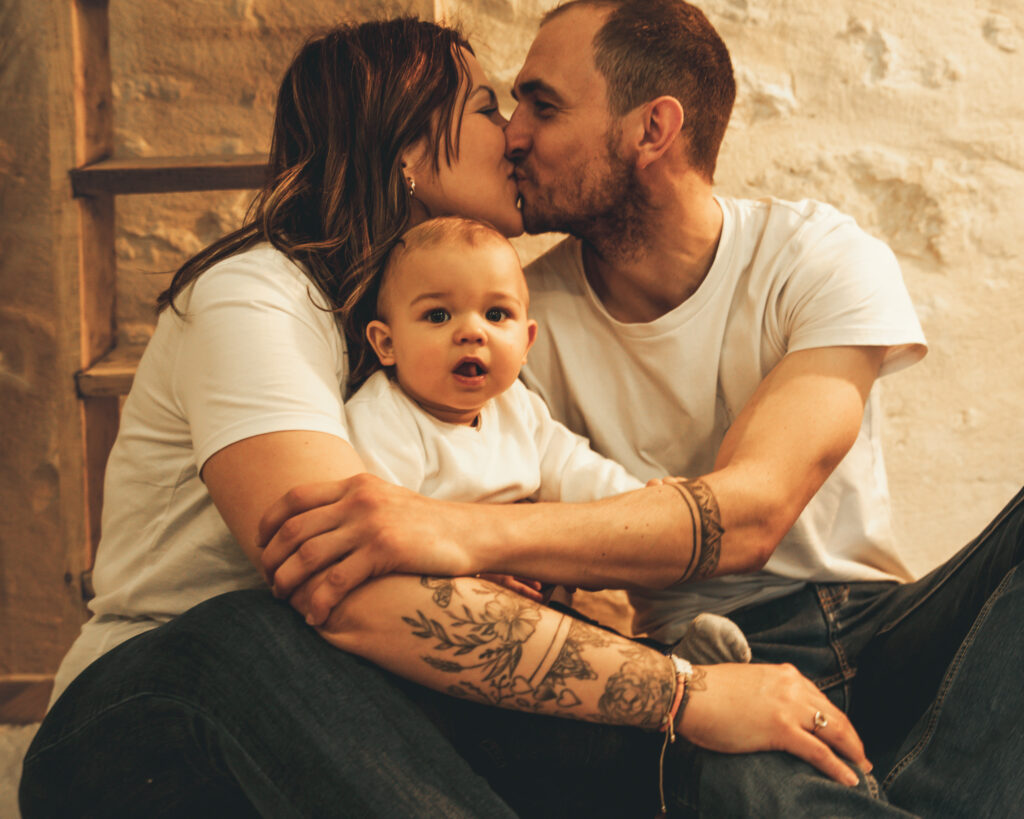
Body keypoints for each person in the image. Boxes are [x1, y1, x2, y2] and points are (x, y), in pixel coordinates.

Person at [20, 16, 869, 819]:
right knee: (248, 631)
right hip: (156, 710)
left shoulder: (460, 344)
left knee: (696, 754)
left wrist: (640, 660)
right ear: (409, 152)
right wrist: (684, 692)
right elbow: (344, 579)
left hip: (355, 702)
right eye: (488, 106)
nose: (514, 134)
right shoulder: (256, 296)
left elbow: (491, 551)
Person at [255, 1, 1024, 816]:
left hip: (879, 627)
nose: (514, 134)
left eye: (542, 106)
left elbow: (755, 513)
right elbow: (509, 521)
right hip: (693, 658)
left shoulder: (817, 257)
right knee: (734, 779)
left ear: (652, 129)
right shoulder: (512, 325)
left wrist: (450, 528)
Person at [345, 214, 750, 660]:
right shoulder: (385, 418)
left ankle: (674, 663)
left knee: (593, 648)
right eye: (437, 315)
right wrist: (465, 579)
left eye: (496, 314)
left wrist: (646, 503)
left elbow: (576, 471)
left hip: (541, 619)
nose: (471, 332)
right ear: (386, 343)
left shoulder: (516, 407)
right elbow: (381, 535)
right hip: (444, 626)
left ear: (525, 343)